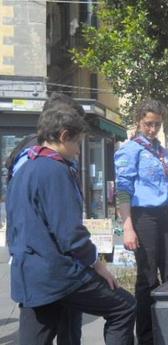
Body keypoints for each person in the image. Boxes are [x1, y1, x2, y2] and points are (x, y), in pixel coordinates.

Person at [6, 104, 136, 345]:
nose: (78, 152)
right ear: (64, 136)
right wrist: (97, 264)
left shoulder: (23, 169)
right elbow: (70, 234)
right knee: (124, 307)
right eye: (77, 144)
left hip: (29, 275)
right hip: (58, 274)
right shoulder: (55, 170)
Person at [5, 92, 87, 345]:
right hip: (44, 261)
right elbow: (27, 211)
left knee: (68, 327)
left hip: (58, 260)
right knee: (39, 329)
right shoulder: (36, 158)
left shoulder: (51, 156)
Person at [114, 99, 168, 345]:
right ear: (138, 121)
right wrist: (128, 227)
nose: (152, 129)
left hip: (165, 215)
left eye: (157, 125)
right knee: (148, 279)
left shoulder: (163, 152)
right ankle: (147, 337)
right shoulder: (129, 150)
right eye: (148, 124)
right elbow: (123, 191)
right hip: (143, 217)